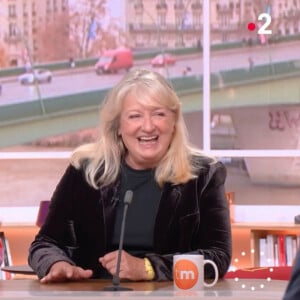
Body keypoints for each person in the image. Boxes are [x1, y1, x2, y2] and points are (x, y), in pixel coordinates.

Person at [28, 68, 232, 283]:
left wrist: (148, 268)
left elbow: (217, 257)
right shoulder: (86, 170)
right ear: (118, 126)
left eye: (159, 114)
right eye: (135, 116)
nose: (148, 126)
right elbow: (45, 243)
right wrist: (57, 264)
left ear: (173, 123)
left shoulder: (204, 175)